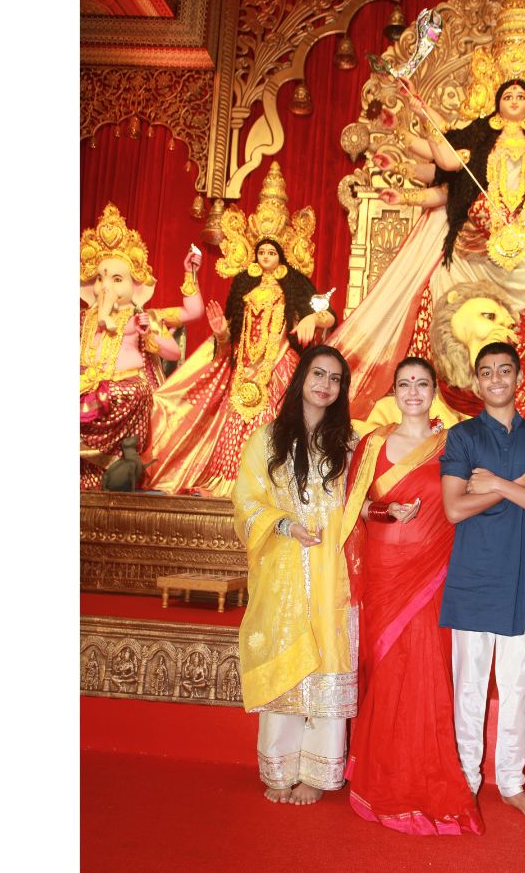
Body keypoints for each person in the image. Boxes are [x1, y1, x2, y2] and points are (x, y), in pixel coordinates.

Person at [326, 0, 525, 421]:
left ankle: (521, 403)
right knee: (442, 287)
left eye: (521, 95)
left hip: (523, 245)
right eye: (507, 94)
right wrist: (418, 114)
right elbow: (447, 160)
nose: (514, 100)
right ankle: (443, 399)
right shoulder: (477, 135)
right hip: (473, 245)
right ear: (496, 97)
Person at [343, 358, 484, 836]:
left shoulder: (454, 444)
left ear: (434, 390)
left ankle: (418, 777)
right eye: (404, 384)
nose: (413, 392)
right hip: (383, 572)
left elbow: (471, 497)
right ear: (395, 391)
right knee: (385, 671)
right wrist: (387, 511)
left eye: (422, 384)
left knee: (424, 670)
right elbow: (354, 507)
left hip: (431, 575)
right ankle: (379, 772)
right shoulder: (373, 443)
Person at [439, 342, 525, 825]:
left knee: (516, 686)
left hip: (518, 579)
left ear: (518, 377)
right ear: (477, 381)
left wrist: (495, 483)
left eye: (504, 370)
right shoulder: (462, 436)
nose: (496, 379)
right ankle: (467, 779)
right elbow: (454, 508)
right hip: (472, 577)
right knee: (468, 688)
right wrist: (524, 488)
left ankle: (512, 783)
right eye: (487, 372)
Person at [230, 345, 367, 805]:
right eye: (318, 374)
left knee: (329, 659)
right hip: (283, 569)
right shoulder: (267, 440)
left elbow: (367, 494)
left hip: (332, 573)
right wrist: (284, 524)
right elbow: (246, 501)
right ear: (301, 378)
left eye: (335, 378)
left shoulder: (350, 443)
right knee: (285, 660)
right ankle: (280, 767)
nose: (326, 385)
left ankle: (318, 773)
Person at [147, 236, 334, 495]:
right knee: (233, 428)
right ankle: (229, 485)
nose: (266, 256)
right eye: (262, 252)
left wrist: (312, 318)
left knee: (272, 428)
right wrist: (221, 333)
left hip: (278, 366)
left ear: (281, 258)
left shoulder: (291, 286)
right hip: (243, 367)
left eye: (271, 252)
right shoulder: (246, 288)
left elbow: (329, 317)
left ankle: (270, 488)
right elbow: (229, 341)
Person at [79, 203, 204, 489]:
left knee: (121, 395)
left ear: (136, 287)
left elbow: (191, 316)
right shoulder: (83, 319)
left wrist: (190, 275)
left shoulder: (143, 317)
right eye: (100, 279)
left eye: (117, 279)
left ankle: (123, 465)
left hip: (124, 393)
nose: (106, 287)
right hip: (85, 388)